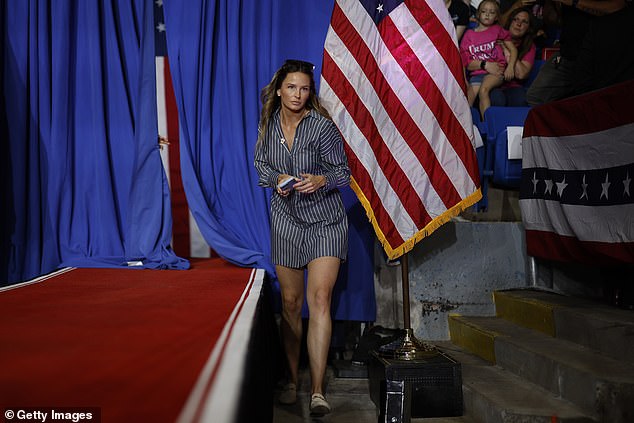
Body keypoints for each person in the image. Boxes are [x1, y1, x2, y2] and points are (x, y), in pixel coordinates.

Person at [254, 59, 351, 416]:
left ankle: (318, 390)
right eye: (292, 87)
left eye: (304, 88)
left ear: (311, 93)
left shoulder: (321, 126)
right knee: (292, 305)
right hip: (286, 223)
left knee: (320, 299)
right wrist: (277, 178)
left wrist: (322, 180)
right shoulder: (268, 124)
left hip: (325, 221)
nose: (298, 94)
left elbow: (344, 173)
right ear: (279, 89)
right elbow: (260, 166)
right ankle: (292, 382)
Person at [526, 0, 628, 105]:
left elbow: (617, 7)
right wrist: (552, 4)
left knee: (593, 101)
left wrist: (574, 2)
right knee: (536, 96)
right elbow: (555, 20)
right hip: (568, 53)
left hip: (598, 57)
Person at [460, 0, 519, 118]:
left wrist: (510, 68)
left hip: (496, 72)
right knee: (467, 100)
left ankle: (487, 123)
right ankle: (467, 126)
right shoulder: (469, 35)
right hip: (476, 74)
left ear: (496, 17)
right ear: (478, 14)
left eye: (491, 12)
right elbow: (463, 59)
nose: (487, 14)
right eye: (484, 11)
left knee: (484, 90)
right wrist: (464, 80)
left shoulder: (497, 30)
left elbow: (513, 49)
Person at [490, 8, 538, 106]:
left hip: (513, 86)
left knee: (520, 99)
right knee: (497, 99)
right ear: (510, 22)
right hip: (492, 83)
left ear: (529, 28)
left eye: (524, 22)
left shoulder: (529, 46)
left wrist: (506, 48)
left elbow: (521, 74)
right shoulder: (494, 36)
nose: (519, 24)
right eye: (516, 19)